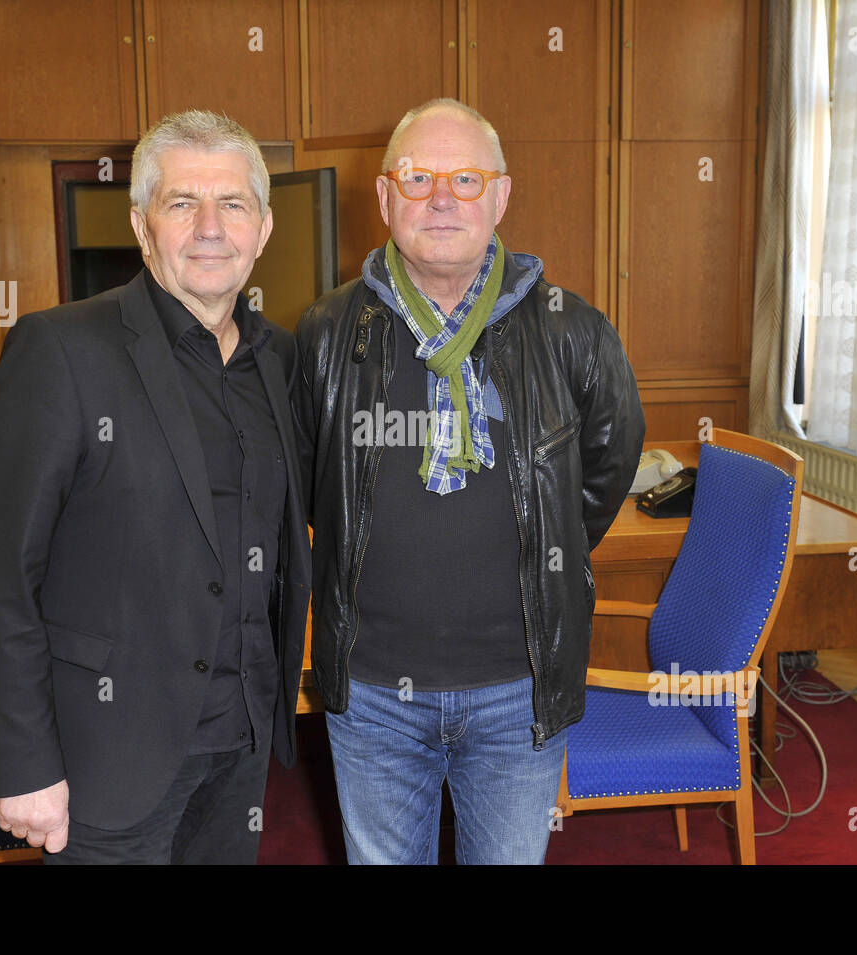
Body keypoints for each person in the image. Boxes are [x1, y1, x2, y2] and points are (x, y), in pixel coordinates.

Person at [294, 98, 645, 865]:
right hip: (374, 693)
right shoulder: (323, 332)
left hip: (517, 688)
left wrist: (547, 547)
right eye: (418, 178)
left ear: (501, 195)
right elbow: (304, 480)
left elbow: (610, 462)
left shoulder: (571, 329)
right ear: (386, 197)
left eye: (466, 177)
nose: (443, 196)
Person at [0, 110, 311, 864]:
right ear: (141, 224)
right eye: (183, 202)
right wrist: (26, 766)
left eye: (234, 204)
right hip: (110, 755)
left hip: (243, 740)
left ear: (265, 226)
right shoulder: (58, 351)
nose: (211, 226)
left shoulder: (275, 356)